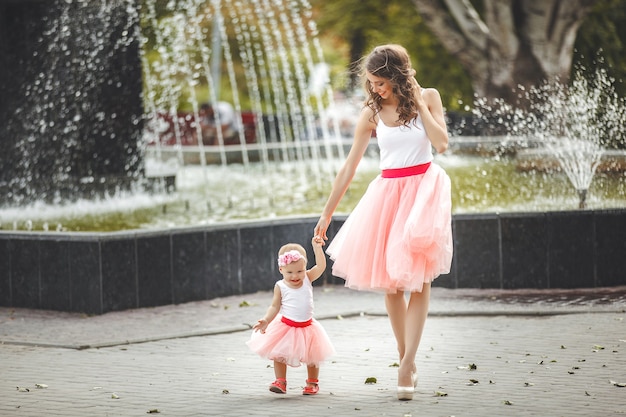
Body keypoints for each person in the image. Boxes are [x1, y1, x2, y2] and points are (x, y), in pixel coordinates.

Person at [313, 44, 453, 401]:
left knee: (419, 281)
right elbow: (349, 166)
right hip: (387, 194)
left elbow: (442, 144)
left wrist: (420, 102)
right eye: (372, 83)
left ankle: (407, 364)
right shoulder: (371, 112)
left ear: (397, 77)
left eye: (381, 82)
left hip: (422, 191)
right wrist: (327, 212)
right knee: (392, 285)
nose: (376, 88)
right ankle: (404, 355)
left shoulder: (429, 97)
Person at [246, 237, 335, 395]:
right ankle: (280, 381)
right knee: (279, 354)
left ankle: (312, 383)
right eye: (290, 272)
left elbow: (321, 266)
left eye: (299, 271)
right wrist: (266, 320)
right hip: (286, 326)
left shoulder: (308, 278)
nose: (295, 276)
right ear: (281, 270)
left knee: (312, 356)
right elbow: (275, 306)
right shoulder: (280, 286)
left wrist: (317, 247)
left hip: (308, 326)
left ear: (305, 267)